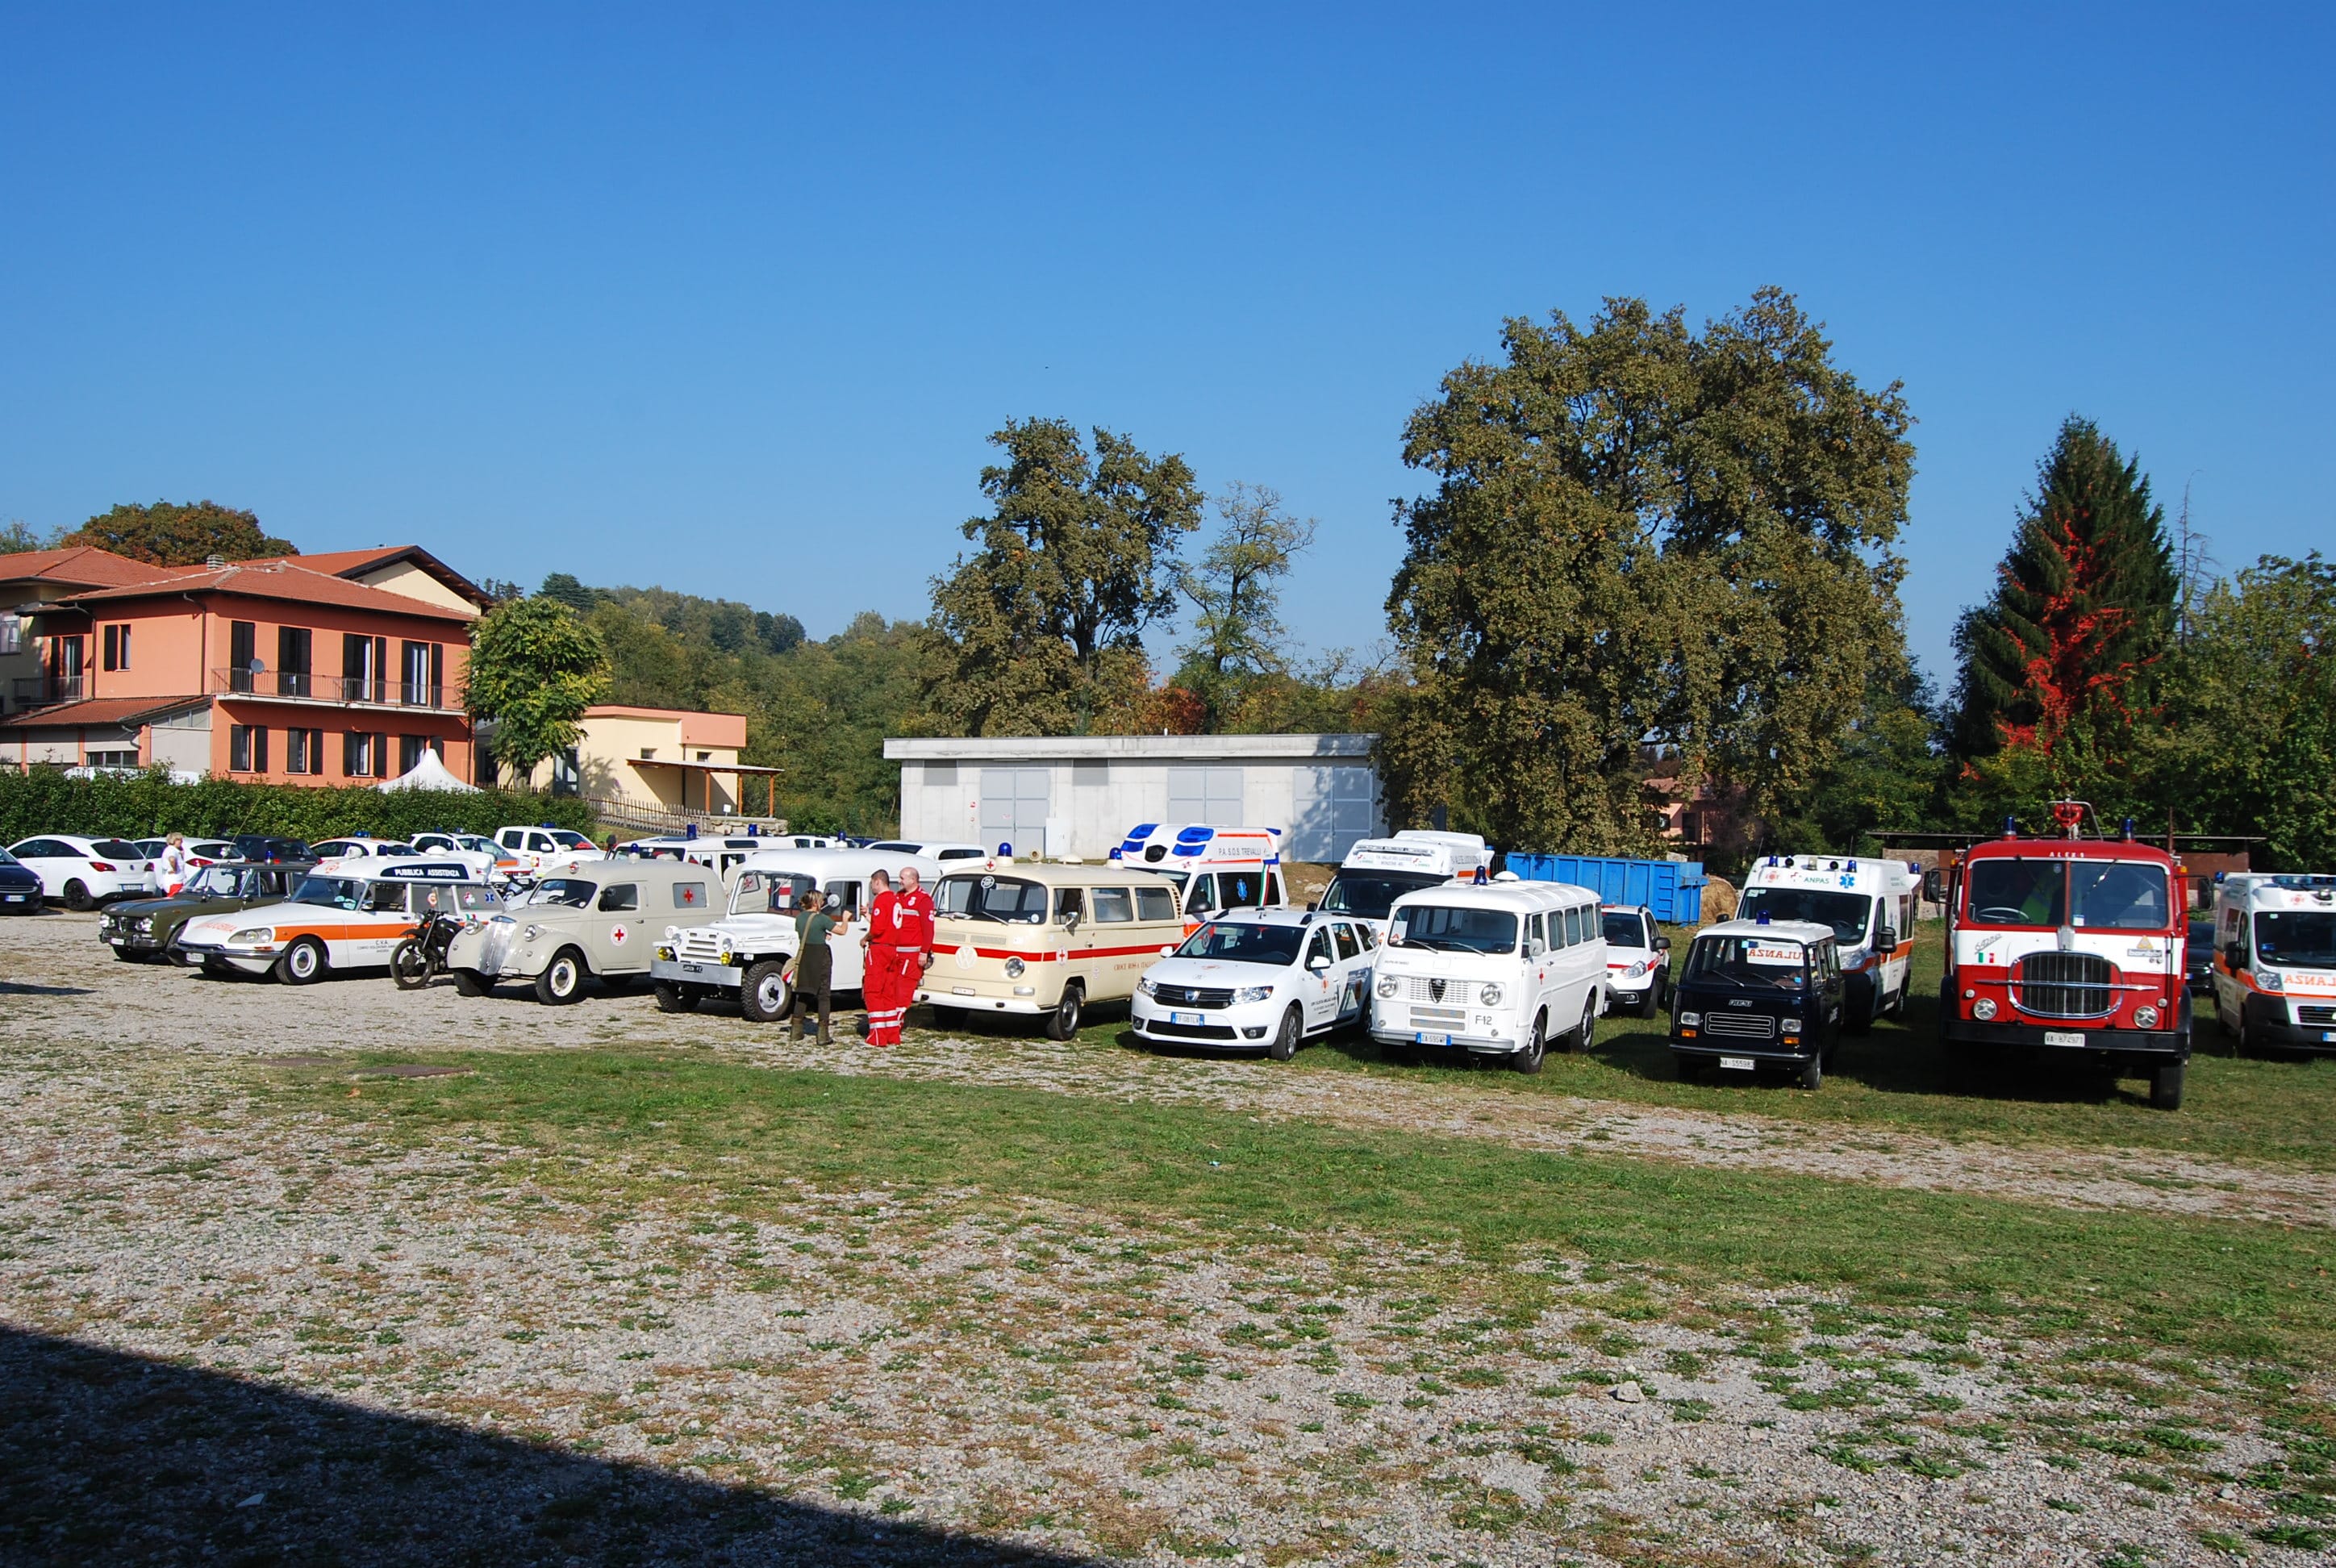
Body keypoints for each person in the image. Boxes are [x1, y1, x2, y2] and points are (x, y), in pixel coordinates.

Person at [790, 886, 846, 1044]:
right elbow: (842, 931)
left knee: (803, 992)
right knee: (823, 996)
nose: (823, 903)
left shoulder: (799, 918)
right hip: (820, 958)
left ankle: (796, 1030)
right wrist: (846, 919)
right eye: (821, 900)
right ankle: (822, 1034)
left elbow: (808, 933)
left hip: (805, 957)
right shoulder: (822, 919)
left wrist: (823, 934)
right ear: (815, 903)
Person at [861, 869, 906, 1046]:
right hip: (893, 949)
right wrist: (868, 916)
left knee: (873, 991)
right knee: (889, 993)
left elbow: (878, 929)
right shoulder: (896, 900)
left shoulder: (882, 899)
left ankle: (877, 1036)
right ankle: (892, 1034)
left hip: (880, 950)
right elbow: (887, 925)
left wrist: (865, 938)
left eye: (872, 883)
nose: (872, 887)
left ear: (878, 882)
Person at [159, 832, 187, 896]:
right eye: (180, 840)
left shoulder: (175, 850)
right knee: (175, 900)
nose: (182, 842)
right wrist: (174, 869)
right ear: (174, 840)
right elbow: (172, 859)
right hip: (174, 882)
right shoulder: (171, 850)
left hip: (177, 881)